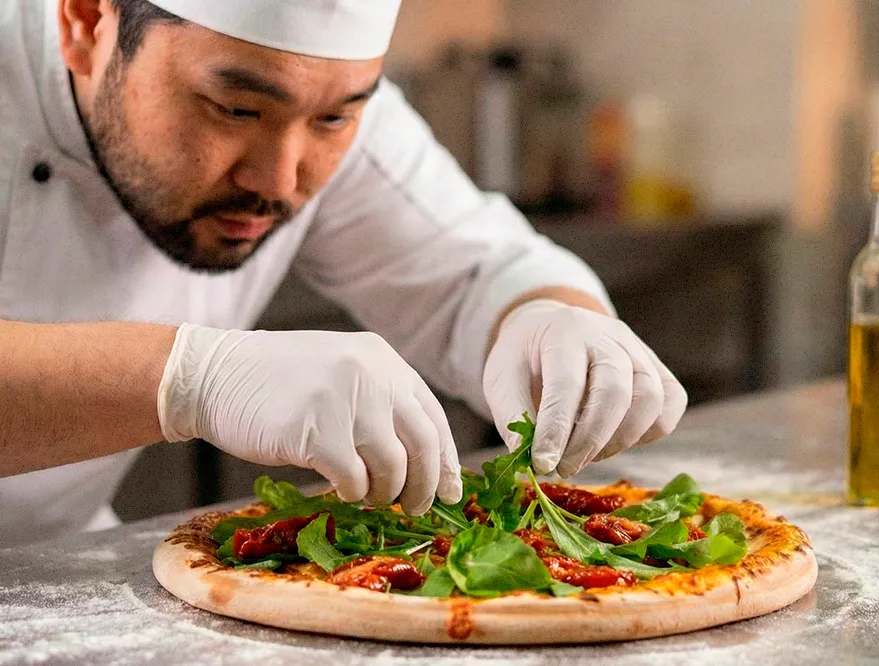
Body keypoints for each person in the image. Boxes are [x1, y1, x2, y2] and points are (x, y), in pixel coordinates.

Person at [0, 0, 687, 545]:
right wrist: (190, 379)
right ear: (86, 20)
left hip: (56, 564)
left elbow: (480, 271)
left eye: (334, 117)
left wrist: (546, 319)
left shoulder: (318, 104)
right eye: (235, 108)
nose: (279, 177)